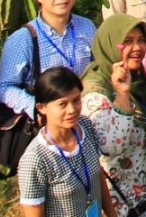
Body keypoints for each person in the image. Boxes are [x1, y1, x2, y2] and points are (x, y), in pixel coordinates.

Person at [80, 14, 146, 217]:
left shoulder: (139, 82)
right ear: (110, 44)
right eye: (128, 41)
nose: (137, 48)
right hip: (126, 202)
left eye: (141, 40)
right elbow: (111, 146)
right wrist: (122, 95)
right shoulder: (96, 93)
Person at [0, 0, 98, 119]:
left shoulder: (87, 27)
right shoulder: (22, 39)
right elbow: (4, 87)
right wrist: (38, 109)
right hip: (46, 125)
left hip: (86, 115)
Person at [17, 67, 116, 217]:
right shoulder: (35, 160)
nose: (72, 110)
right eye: (62, 104)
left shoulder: (85, 127)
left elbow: (98, 175)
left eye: (76, 100)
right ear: (41, 108)